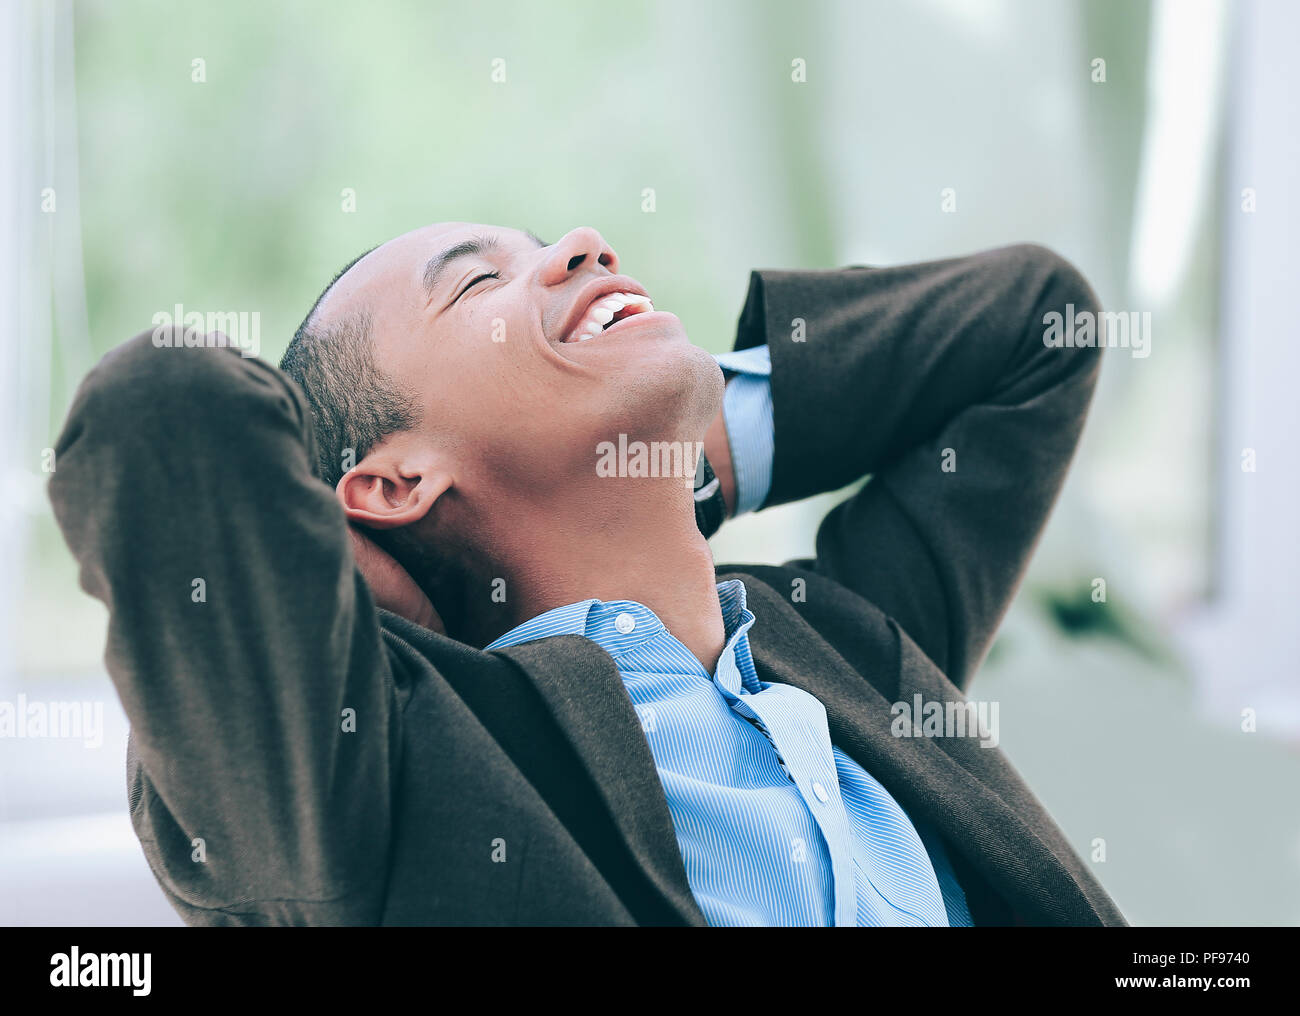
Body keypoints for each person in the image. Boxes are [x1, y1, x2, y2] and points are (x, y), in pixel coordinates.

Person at [48, 222, 1126, 926]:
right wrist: (390, 595)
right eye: (479, 282)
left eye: (542, 244)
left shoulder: (850, 642)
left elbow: (1034, 324)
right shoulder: (383, 773)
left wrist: (677, 446)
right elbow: (161, 412)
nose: (581, 245)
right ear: (391, 481)